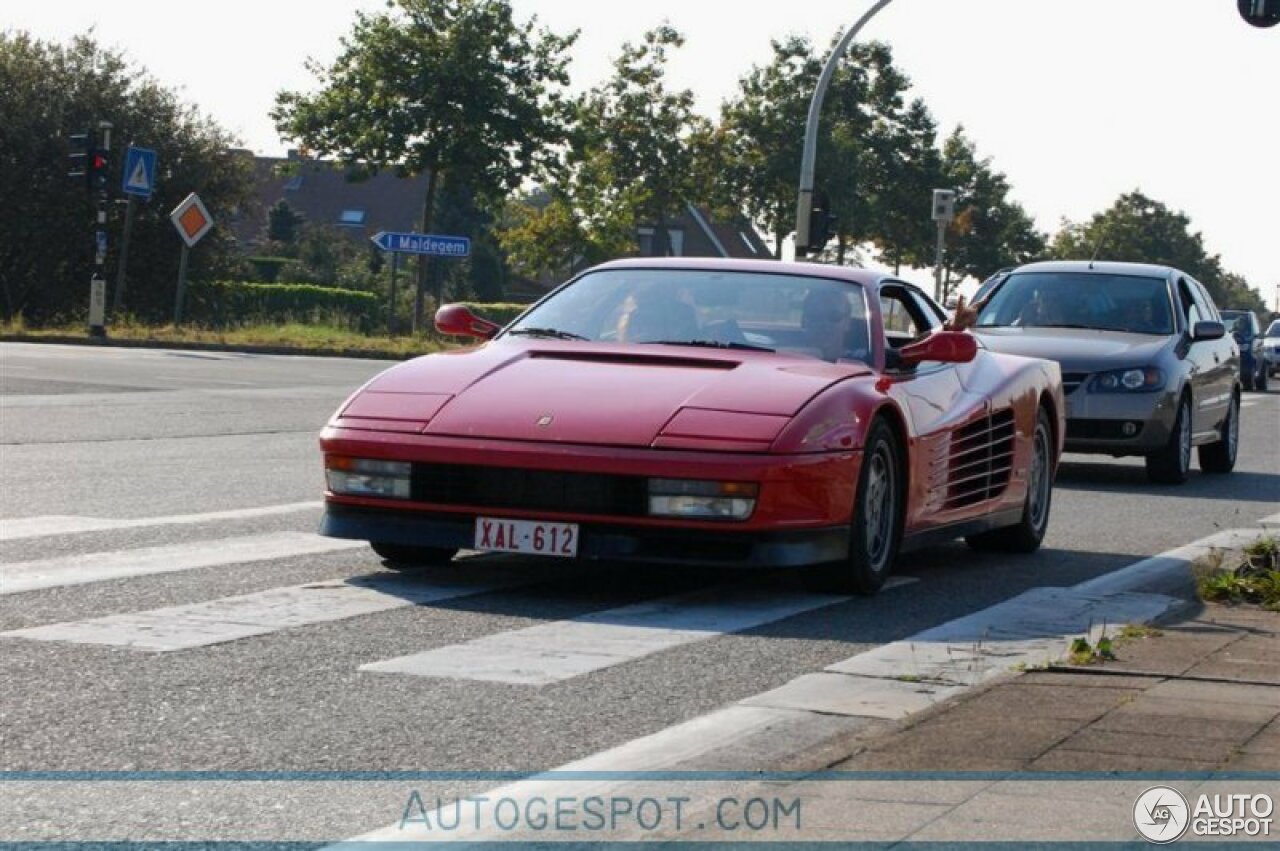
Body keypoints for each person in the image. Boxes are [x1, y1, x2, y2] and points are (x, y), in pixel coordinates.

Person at [801, 288, 855, 362]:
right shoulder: (784, 357)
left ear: (847, 322)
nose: (824, 323)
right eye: (815, 316)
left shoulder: (863, 363)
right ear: (803, 321)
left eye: (834, 316)